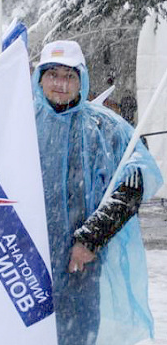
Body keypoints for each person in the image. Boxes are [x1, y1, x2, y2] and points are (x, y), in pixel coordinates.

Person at [31, 40, 163, 345]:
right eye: (53, 75)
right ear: (40, 79)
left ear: (82, 80)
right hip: (26, 260)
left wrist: (91, 238)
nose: (61, 85)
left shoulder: (105, 127)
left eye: (70, 76)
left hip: (81, 265)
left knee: (77, 335)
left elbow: (132, 185)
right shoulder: (21, 124)